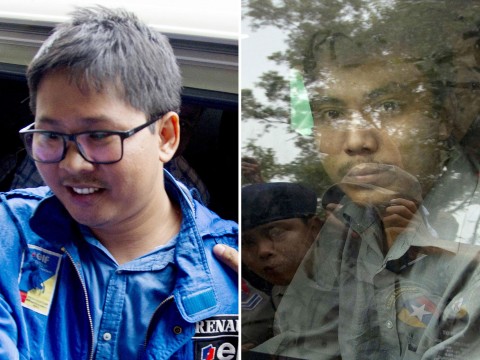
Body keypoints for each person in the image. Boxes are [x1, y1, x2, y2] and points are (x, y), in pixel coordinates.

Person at [0, 6, 239, 359]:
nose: (72, 163)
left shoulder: (231, 276)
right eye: (50, 135)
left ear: (166, 137)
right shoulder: (10, 237)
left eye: (99, 134)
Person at [248, 1, 480, 359]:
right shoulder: (351, 223)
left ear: (443, 117)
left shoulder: (467, 235)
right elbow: (306, 343)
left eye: (389, 105)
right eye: (331, 113)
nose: (356, 141)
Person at [241, 182, 323, 351]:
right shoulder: (276, 289)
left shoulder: (355, 283)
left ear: (314, 229)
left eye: (276, 233)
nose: (263, 251)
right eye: (247, 242)